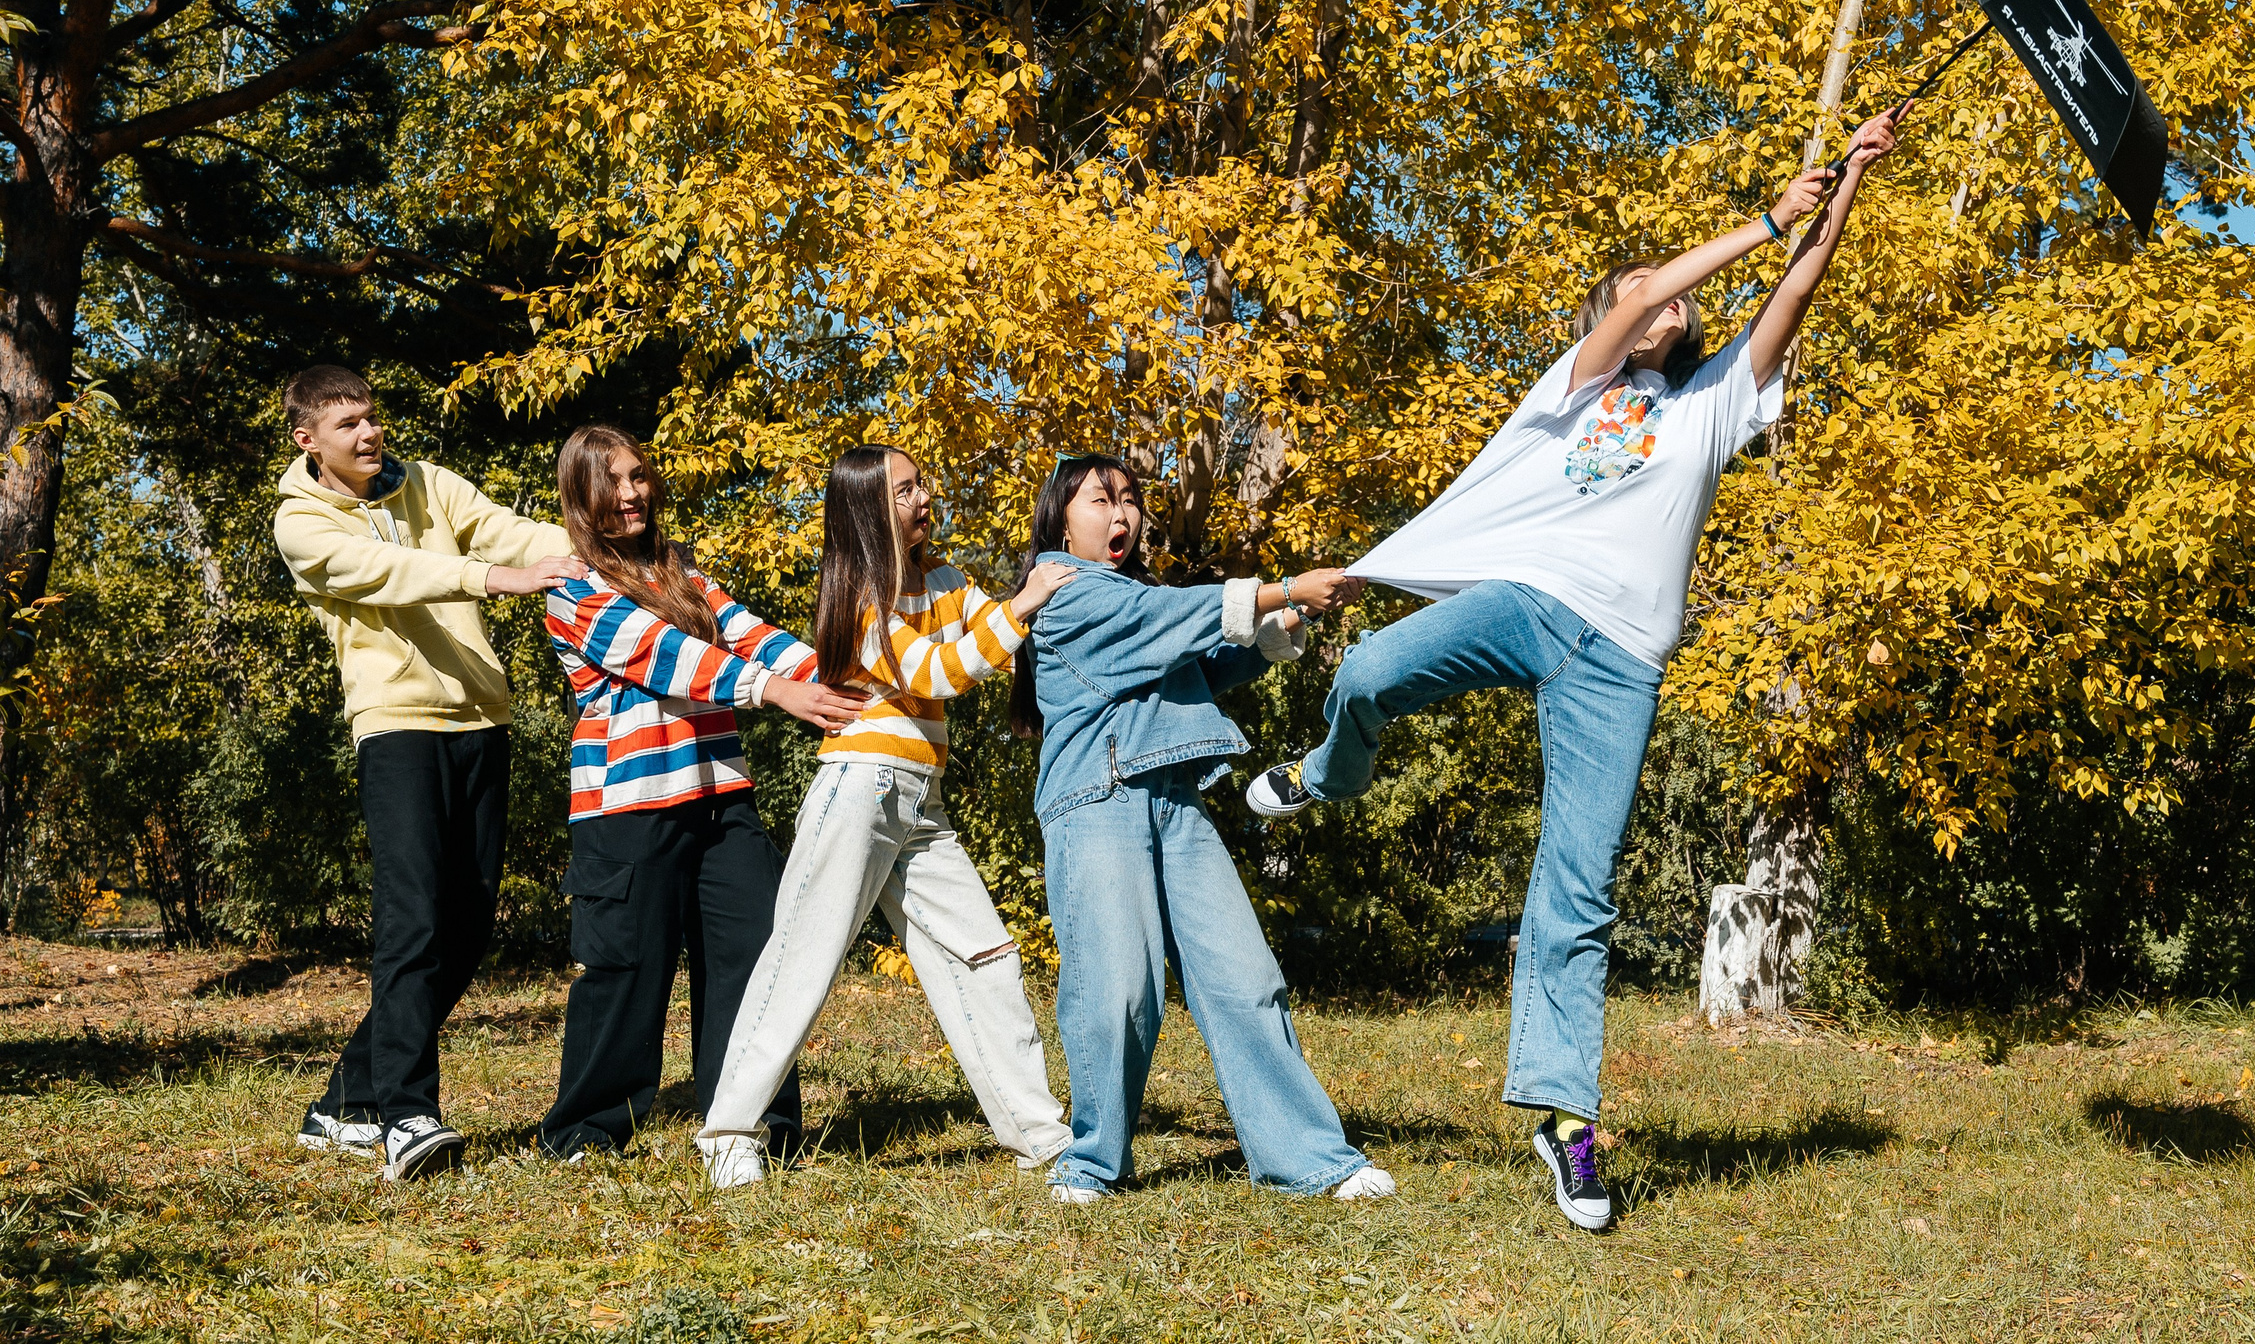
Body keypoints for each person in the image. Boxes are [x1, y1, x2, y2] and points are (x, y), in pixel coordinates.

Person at [1245, 106, 1909, 1230]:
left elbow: (1797, 292)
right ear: (1607, 318)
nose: (1660, 296)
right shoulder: (1573, 390)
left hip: (1620, 662)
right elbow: (1654, 295)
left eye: (1673, 291)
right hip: (1522, 603)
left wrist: (1842, 184)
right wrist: (1760, 215)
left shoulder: (1712, 406)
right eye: (1638, 288)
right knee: (1364, 673)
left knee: (1577, 886)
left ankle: (1563, 1117)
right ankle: (1331, 772)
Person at [694, 444, 1081, 1188]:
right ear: (868, 507)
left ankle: (1038, 1130)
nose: (922, 497)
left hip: (921, 801)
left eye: (921, 483)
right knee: (805, 950)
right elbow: (938, 671)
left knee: (983, 953)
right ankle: (730, 1131)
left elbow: (994, 639)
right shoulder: (860, 595)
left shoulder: (946, 580)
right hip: (860, 787)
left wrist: (1043, 594)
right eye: (904, 490)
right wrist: (1026, 602)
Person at [1020, 454, 1393, 1204]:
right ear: (1061, 517)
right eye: (1101, 500)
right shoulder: (1062, 593)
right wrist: (1280, 587)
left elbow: (1202, 663)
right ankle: (1093, 1159)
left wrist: (1283, 622)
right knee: (1119, 987)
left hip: (1174, 799)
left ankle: (1310, 1157)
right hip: (1097, 798)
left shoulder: (1136, 594)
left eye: (1131, 499)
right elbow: (1160, 621)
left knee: (1244, 977)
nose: (1122, 514)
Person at [273, 364, 584, 1181]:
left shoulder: (431, 484)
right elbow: (390, 575)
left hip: (481, 721)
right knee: (411, 919)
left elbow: (510, 533)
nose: (370, 434)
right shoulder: (300, 524)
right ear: (309, 440)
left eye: (373, 418)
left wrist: (604, 550)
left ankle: (341, 1102)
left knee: (468, 927)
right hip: (397, 728)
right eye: (349, 426)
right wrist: (490, 580)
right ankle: (407, 1116)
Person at [536, 425, 868, 1161]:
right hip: (628, 809)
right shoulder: (572, 587)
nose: (631, 493)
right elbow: (670, 658)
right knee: (628, 971)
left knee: (756, 956)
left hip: (721, 797)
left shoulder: (677, 570)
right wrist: (773, 691)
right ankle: (586, 1130)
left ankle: (754, 1125)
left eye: (638, 476)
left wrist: (846, 672)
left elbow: (751, 634)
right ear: (581, 497)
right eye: (611, 482)